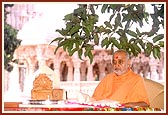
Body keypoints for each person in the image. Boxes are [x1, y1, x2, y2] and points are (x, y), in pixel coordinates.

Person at [76, 49, 150, 108]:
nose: (116, 65)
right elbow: (95, 99)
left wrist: (123, 105)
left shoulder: (136, 79)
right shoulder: (108, 78)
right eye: (114, 62)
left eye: (120, 62)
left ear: (129, 63)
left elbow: (144, 103)